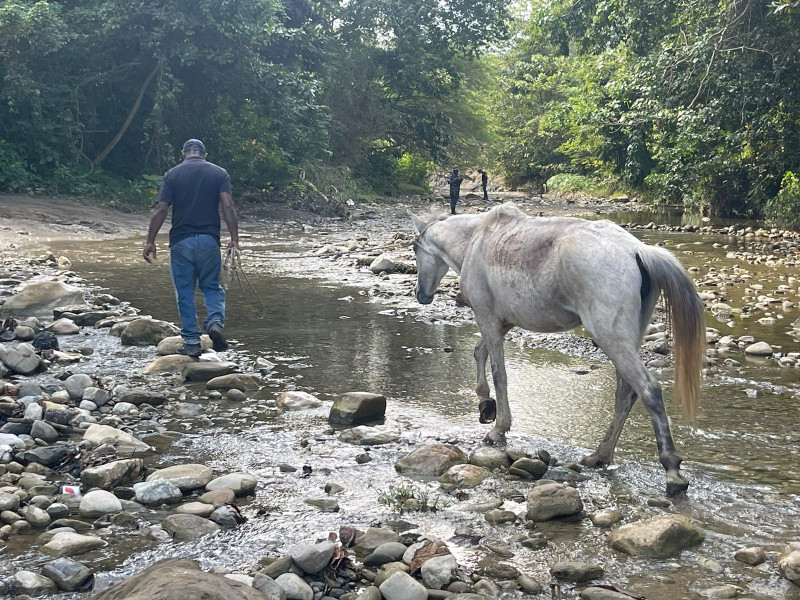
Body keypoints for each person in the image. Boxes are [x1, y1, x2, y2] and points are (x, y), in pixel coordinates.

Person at [142, 139, 239, 357]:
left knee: (184, 292)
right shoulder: (219, 173)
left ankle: (192, 342)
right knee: (211, 286)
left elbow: (161, 209)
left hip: (181, 241)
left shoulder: (172, 174)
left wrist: (150, 241)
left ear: (183, 153)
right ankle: (214, 322)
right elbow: (227, 205)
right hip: (209, 240)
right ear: (204, 154)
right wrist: (234, 239)